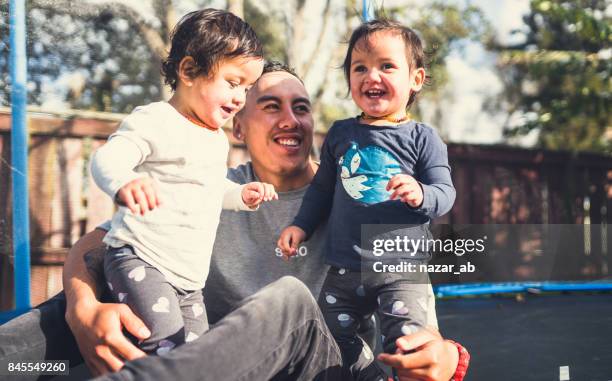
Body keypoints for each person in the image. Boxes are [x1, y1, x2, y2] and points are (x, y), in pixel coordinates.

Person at [0, 62, 464, 381]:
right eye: (271, 107)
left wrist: (444, 354)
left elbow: (410, 293)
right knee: (93, 298)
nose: (291, 120)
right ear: (237, 128)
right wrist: (82, 312)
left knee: (289, 300)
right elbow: (98, 248)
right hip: (218, 364)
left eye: (300, 108)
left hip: (320, 369)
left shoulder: (358, 192)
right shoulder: (205, 187)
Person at [90, 9, 278, 355]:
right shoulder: (156, 120)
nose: (240, 97)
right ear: (189, 70)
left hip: (189, 281)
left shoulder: (214, 138)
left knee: (195, 356)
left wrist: (239, 194)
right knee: (165, 345)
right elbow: (107, 158)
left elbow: (208, 187)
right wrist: (124, 182)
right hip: (140, 259)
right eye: (233, 82)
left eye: (247, 88)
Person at [278, 19, 457, 380]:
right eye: (359, 68)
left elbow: (445, 194)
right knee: (330, 339)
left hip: (402, 270)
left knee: (409, 343)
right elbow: (323, 191)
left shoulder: (423, 138)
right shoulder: (342, 134)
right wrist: (301, 225)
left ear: (416, 80)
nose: (371, 76)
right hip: (345, 268)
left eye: (386, 66)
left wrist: (421, 193)